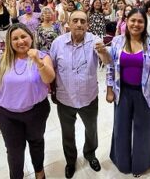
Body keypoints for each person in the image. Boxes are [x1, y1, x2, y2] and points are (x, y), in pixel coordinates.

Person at [106, 8, 150, 177]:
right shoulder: (117, 41)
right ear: (126, 21)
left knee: (144, 130)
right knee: (121, 128)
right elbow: (110, 66)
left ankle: (141, 164)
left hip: (146, 93)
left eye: (140, 21)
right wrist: (109, 90)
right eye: (133, 20)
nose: (136, 24)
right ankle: (121, 161)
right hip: (122, 92)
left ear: (145, 24)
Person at [0, 24, 54, 179]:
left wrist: (37, 60)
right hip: (8, 115)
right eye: (15, 38)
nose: (20, 41)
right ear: (9, 42)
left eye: (23, 36)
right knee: (14, 150)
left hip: (37, 111)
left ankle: (39, 172)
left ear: (31, 37)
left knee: (36, 142)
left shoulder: (43, 56)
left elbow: (49, 78)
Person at [50, 10, 111, 178]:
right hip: (65, 98)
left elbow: (107, 62)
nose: (79, 24)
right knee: (67, 133)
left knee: (91, 130)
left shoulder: (95, 41)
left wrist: (104, 52)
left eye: (82, 21)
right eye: (75, 20)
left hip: (88, 97)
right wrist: (52, 91)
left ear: (87, 25)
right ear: (68, 24)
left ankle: (90, 154)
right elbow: (52, 69)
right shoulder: (58, 43)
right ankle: (71, 161)